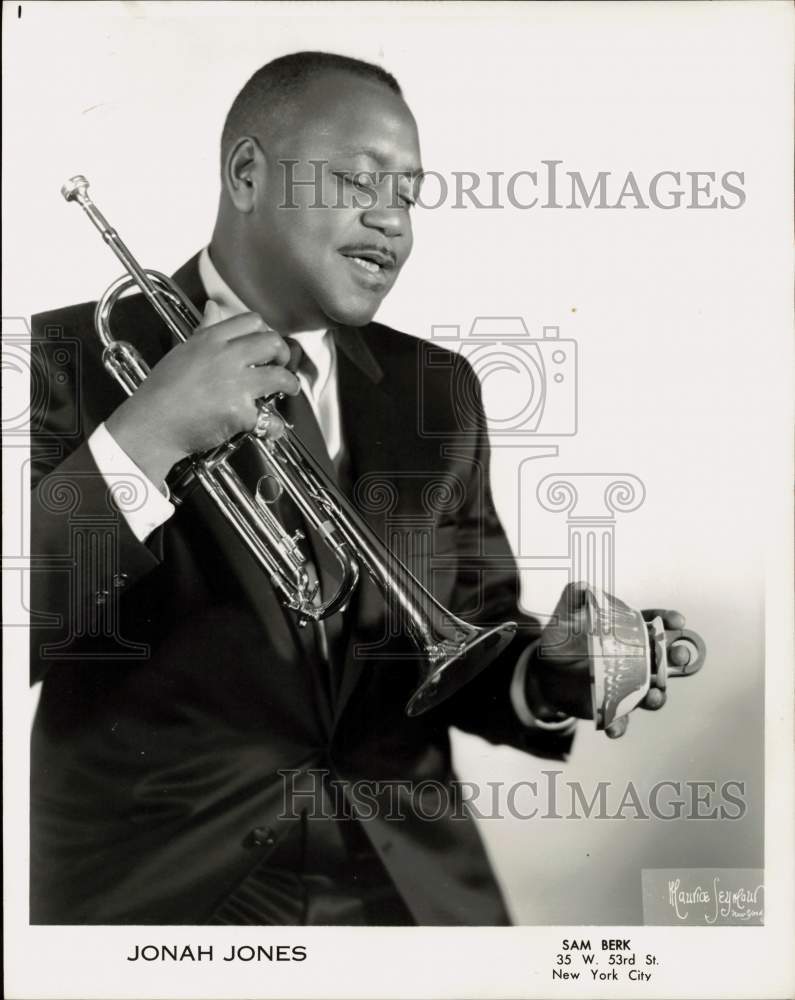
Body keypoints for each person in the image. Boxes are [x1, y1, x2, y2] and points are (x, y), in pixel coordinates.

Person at [29, 51, 678, 925]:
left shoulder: (437, 390)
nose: (391, 221)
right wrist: (144, 438)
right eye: (358, 181)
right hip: (163, 905)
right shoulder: (53, 359)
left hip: (413, 899)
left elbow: (460, 638)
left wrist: (552, 671)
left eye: (410, 195)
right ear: (247, 174)